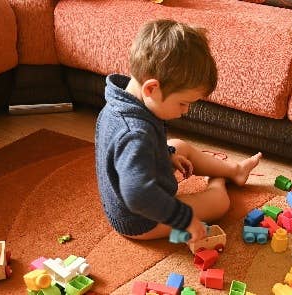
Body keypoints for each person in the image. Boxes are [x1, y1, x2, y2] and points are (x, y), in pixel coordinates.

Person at [95, 19, 262, 243]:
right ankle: (218, 179)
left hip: (132, 185)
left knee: (178, 145)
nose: (185, 111)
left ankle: (234, 170)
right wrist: (184, 219)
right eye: (183, 103)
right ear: (152, 88)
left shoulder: (121, 102)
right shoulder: (134, 133)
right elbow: (137, 195)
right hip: (140, 219)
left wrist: (166, 155)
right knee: (220, 203)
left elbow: (123, 155)